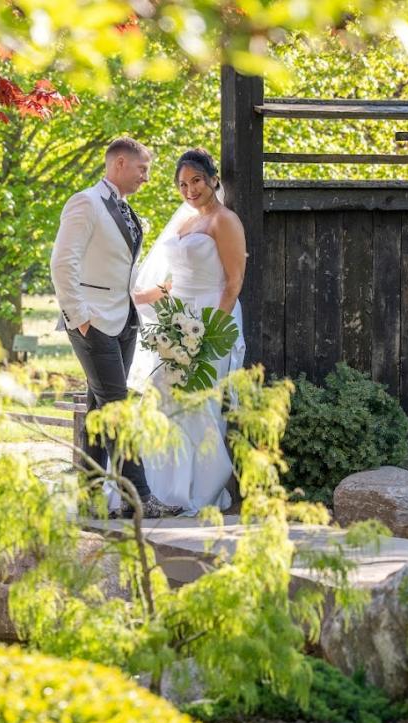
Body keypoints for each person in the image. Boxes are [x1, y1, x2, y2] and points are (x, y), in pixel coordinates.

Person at [49, 137, 181, 518]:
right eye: (142, 169)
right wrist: (80, 318)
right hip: (93, 323)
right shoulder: (85, 202)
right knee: (117, 408)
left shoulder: (123, 208)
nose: (146, 177)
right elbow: (63, 263)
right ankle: (138, 497)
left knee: (98, 410)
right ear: (120, 163)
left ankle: (89, 496)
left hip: (123, 320)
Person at [129, 147, 247, 514]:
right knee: (164, 401)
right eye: (182, 184)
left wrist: (210, 333)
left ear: (213, 179)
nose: (190, 189)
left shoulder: (224, 221)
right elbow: (170, 283)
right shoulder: (184, 223)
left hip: (212, 318)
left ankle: (199, 489)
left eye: (196, 180)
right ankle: (161, 489)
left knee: (199, 403)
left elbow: (233, 283)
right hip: (176, 320)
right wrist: (137, 297)